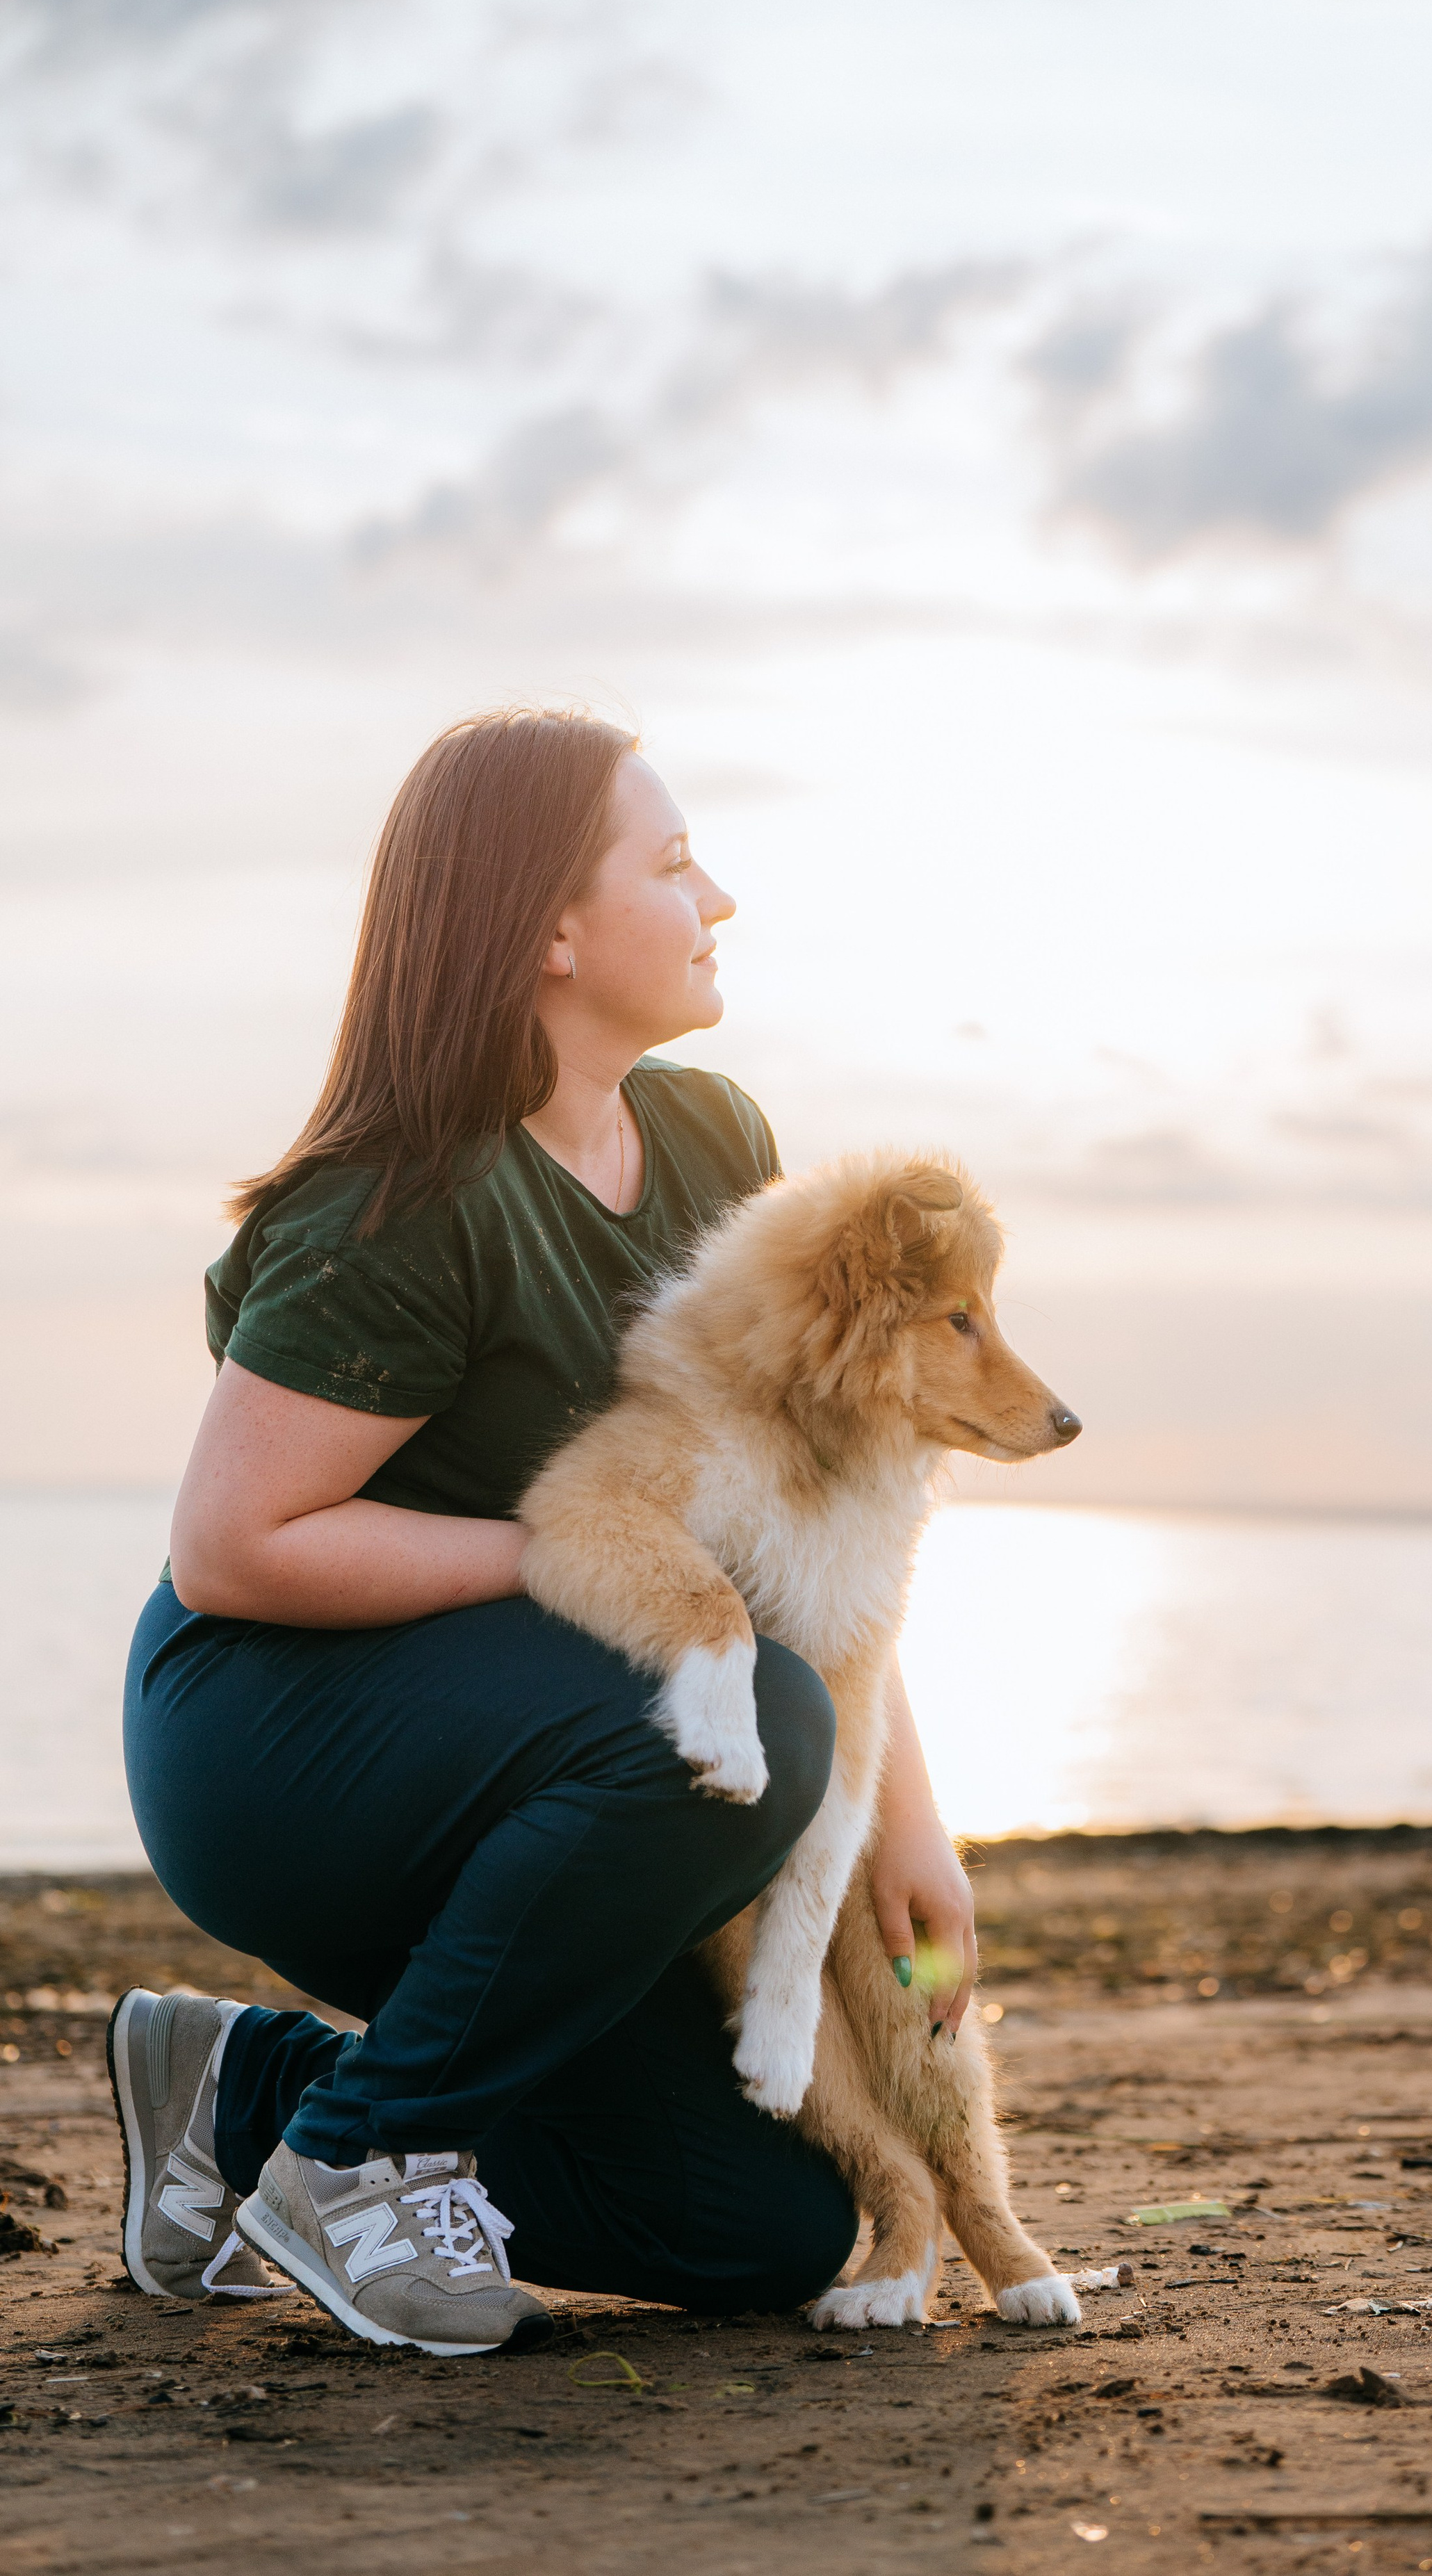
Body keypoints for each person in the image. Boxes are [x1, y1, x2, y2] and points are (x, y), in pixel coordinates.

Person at [113, 708, 978, 2355]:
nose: (716, 896)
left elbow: (825, 1535)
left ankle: (245, 2087)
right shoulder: (407, 1198)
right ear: (551, 932)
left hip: (572, 1763)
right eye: (670, 862)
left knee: (764, 2222)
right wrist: (593, 1558)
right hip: (280, 1742)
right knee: (751, 1705)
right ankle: (357, 2164)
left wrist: (907, 1826)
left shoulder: (722, 1149)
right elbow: (236, 1543)